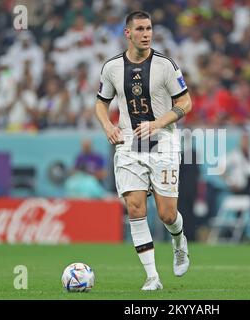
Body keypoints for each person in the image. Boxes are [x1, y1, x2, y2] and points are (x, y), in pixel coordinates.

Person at [94, 11, 192, 291]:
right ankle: (152, 277)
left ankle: (178, 242)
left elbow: (186, 102)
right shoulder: (112, 67)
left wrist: (158, 123)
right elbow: (101, 103)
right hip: (129, 146)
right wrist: (107, 126)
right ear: (128, 33)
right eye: (140, 29)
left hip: (163, 143)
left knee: (167, 215)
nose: (146, 33)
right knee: (135, 208)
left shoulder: (165, 65)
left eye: (149, 28)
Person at [223, 130, 250, 217]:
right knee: (239, 214)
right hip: (239, 188)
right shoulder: (234, 154)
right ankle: (239, 229)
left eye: (247, 140)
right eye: (244, 141)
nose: (246, 143)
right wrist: (230, 182)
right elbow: (221, 169)